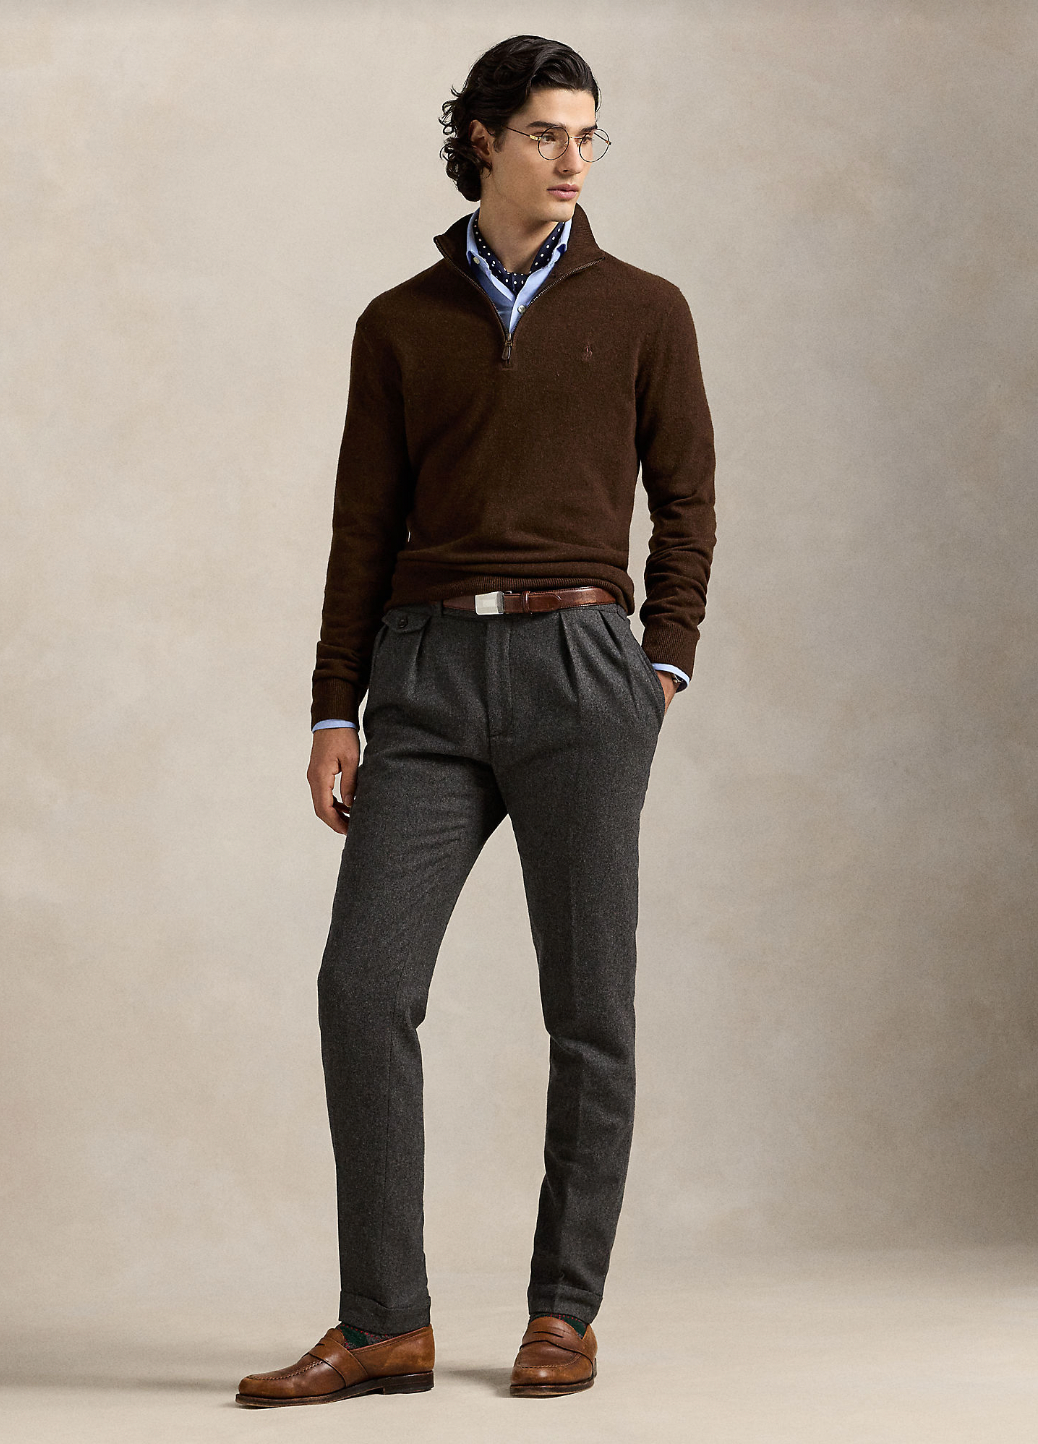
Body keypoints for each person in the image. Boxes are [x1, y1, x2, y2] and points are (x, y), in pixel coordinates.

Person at [236, 32, 715, 1408]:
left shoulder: (646, 310)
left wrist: (660, 668)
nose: (574, 161)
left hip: (582, 673)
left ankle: (564, 1312)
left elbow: (688, 504)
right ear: (484, 141)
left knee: (591, 1007)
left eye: (589, 136)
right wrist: (333, 706)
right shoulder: (399, 323)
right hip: (429, 676)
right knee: (363, 987)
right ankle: (385, 1322)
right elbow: (361, 526)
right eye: (547, 134)